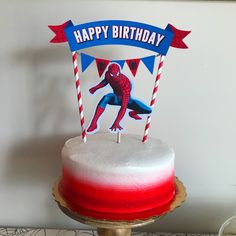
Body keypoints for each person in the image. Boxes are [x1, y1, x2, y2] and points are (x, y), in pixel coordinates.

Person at [87, 63, 152, 133]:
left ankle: (132, 113)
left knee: (148, 110)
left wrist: (116, 122)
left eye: (116, 74)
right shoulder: (108, 74)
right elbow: (105, 81)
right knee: (106, 97)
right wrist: (95, 88)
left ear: (119, 73)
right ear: (109, 72)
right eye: (112, 75)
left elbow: (124, 107)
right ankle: (94, 123)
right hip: (115, 99)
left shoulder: (125, 82)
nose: (114, 77)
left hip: (128, 101)